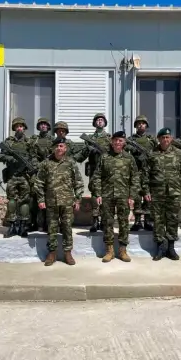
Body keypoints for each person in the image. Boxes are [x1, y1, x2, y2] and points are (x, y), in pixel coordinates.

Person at [34, 137, 84, 266]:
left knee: (67, 227)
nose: (58, 148)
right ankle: (52, 253)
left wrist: (78, 199)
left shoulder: (71, 163)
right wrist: (41, 199)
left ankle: (68, 253)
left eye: (61, 146)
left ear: (65, 148)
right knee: (52, 228)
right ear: (53, 148)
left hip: (67, 201)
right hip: (51, 201)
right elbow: (39, 182)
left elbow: (78, 182)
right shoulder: (46, 163)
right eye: (56, 146)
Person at [93, 131, 139, 263]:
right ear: (111, 142)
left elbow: (135, 178)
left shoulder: (129, 158)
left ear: (124, 143)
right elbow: (97, 176)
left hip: (124, 196)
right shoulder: (104, 157)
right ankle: (109, 251)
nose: (118, 142)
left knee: (123, 222)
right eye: (115, 140)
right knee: (107, 222)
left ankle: (123, 250)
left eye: (120, 140)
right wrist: (98, 193)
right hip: (107, 195)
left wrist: (132, 195)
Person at [143, 128, 181, 261]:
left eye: (167, 137)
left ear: (171, 138)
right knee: (158, 220)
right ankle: (160, 248)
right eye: (163, 137)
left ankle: (171, 248)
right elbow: (145, 174)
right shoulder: (152, 154)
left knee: (173, 219)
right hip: (157, 193)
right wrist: (146, 191)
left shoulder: (179, 153)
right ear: (158, 139)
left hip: (175, 192)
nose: (165, 140)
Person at [0, 117, 32, 238]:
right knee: (12, 200)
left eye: (21, 126)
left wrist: (31, 166)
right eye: (17, 126)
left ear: (24, 128)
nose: (19, 128)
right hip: (12, 175)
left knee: (25, 201)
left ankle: (23, 226)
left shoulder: (29, 142)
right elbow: (1, 156)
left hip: (24, 176)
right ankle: (12, 226)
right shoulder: (9, 142)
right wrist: (12, 159)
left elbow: (33, 157)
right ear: (14, 128)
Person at [77, 113, 111, 232]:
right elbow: (82, 155)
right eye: (97, 120)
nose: (100, 121)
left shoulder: (109, 138)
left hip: (106, 170)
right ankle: (95, 220)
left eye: (102, 120)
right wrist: (89, 149)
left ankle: (104, 220)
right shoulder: (90, 138)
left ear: (105, 123)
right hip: (94, 169)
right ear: (94, 123)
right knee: (95, 194)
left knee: (106, 194)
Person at [126, 115, 158, 231]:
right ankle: (138, 221)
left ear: (146, 125)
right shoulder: (131, 139)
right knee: (137, 195)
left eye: (143, 123)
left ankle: (148, 220)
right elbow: (124, 150)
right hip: (136, 171)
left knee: (149, 195)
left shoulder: (151, 139)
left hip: (149, 171)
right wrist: (133, 149)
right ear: (135, 126)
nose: (141, 125)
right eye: (138, 123)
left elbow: (158, 152)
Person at [29, 118, 54, 231]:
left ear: (48, 127)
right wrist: (36, 165)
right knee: (34, 196)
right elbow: (31, 155)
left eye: (45, 124)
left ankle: (46, 223)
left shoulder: (53, 140)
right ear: (38, 127)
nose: (43, 126)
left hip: (49, 171)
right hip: (36, 171)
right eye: (41, 124)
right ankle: (33, 222)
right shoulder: (34, 140)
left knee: (49, 197)